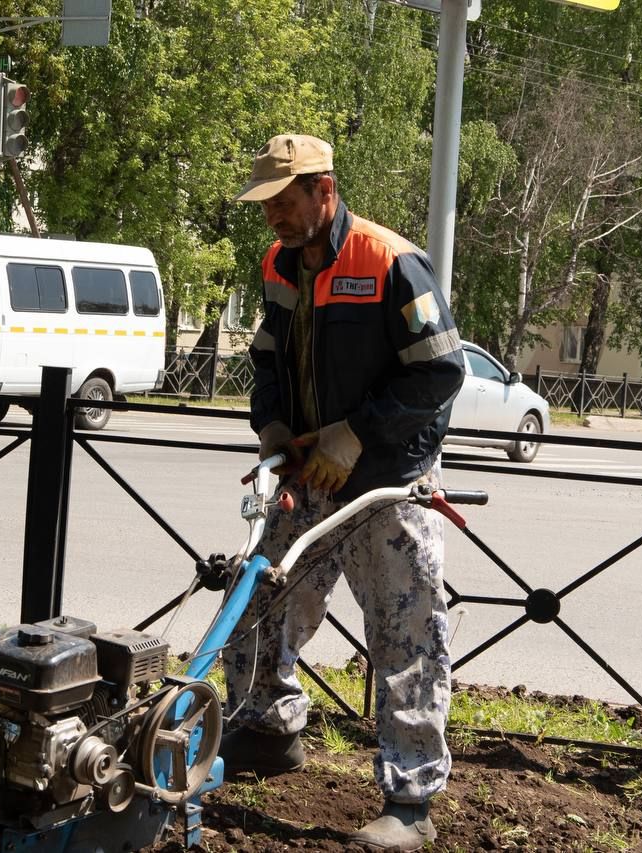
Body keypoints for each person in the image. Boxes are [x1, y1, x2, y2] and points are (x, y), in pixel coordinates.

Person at [221, 134, 465, 852]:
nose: (275, 220)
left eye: (285, 203)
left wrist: (357, 433)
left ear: (324, 192)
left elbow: (439, 373)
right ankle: (267, 730)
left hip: (384, 481)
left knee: (407, 627)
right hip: (307, 474)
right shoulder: (280, 263)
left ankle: (411, 801)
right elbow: (268, 353)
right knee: (261, 598)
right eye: (267, 206)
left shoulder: (391, 263)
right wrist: (271, 423)